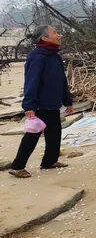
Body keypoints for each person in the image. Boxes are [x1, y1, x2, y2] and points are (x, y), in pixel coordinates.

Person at [8, 25, 74, 178]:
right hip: (40, 104)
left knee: (54, 133)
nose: (59, 35)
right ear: (44, 38)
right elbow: (31, 82)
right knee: (32, 136)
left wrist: (67, 100)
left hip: (53, 103)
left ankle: (49, 162)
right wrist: (29, 105)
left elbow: (62, 81)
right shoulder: (37, 56)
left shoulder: (55, 56)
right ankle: (17, 167)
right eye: (55, 32)